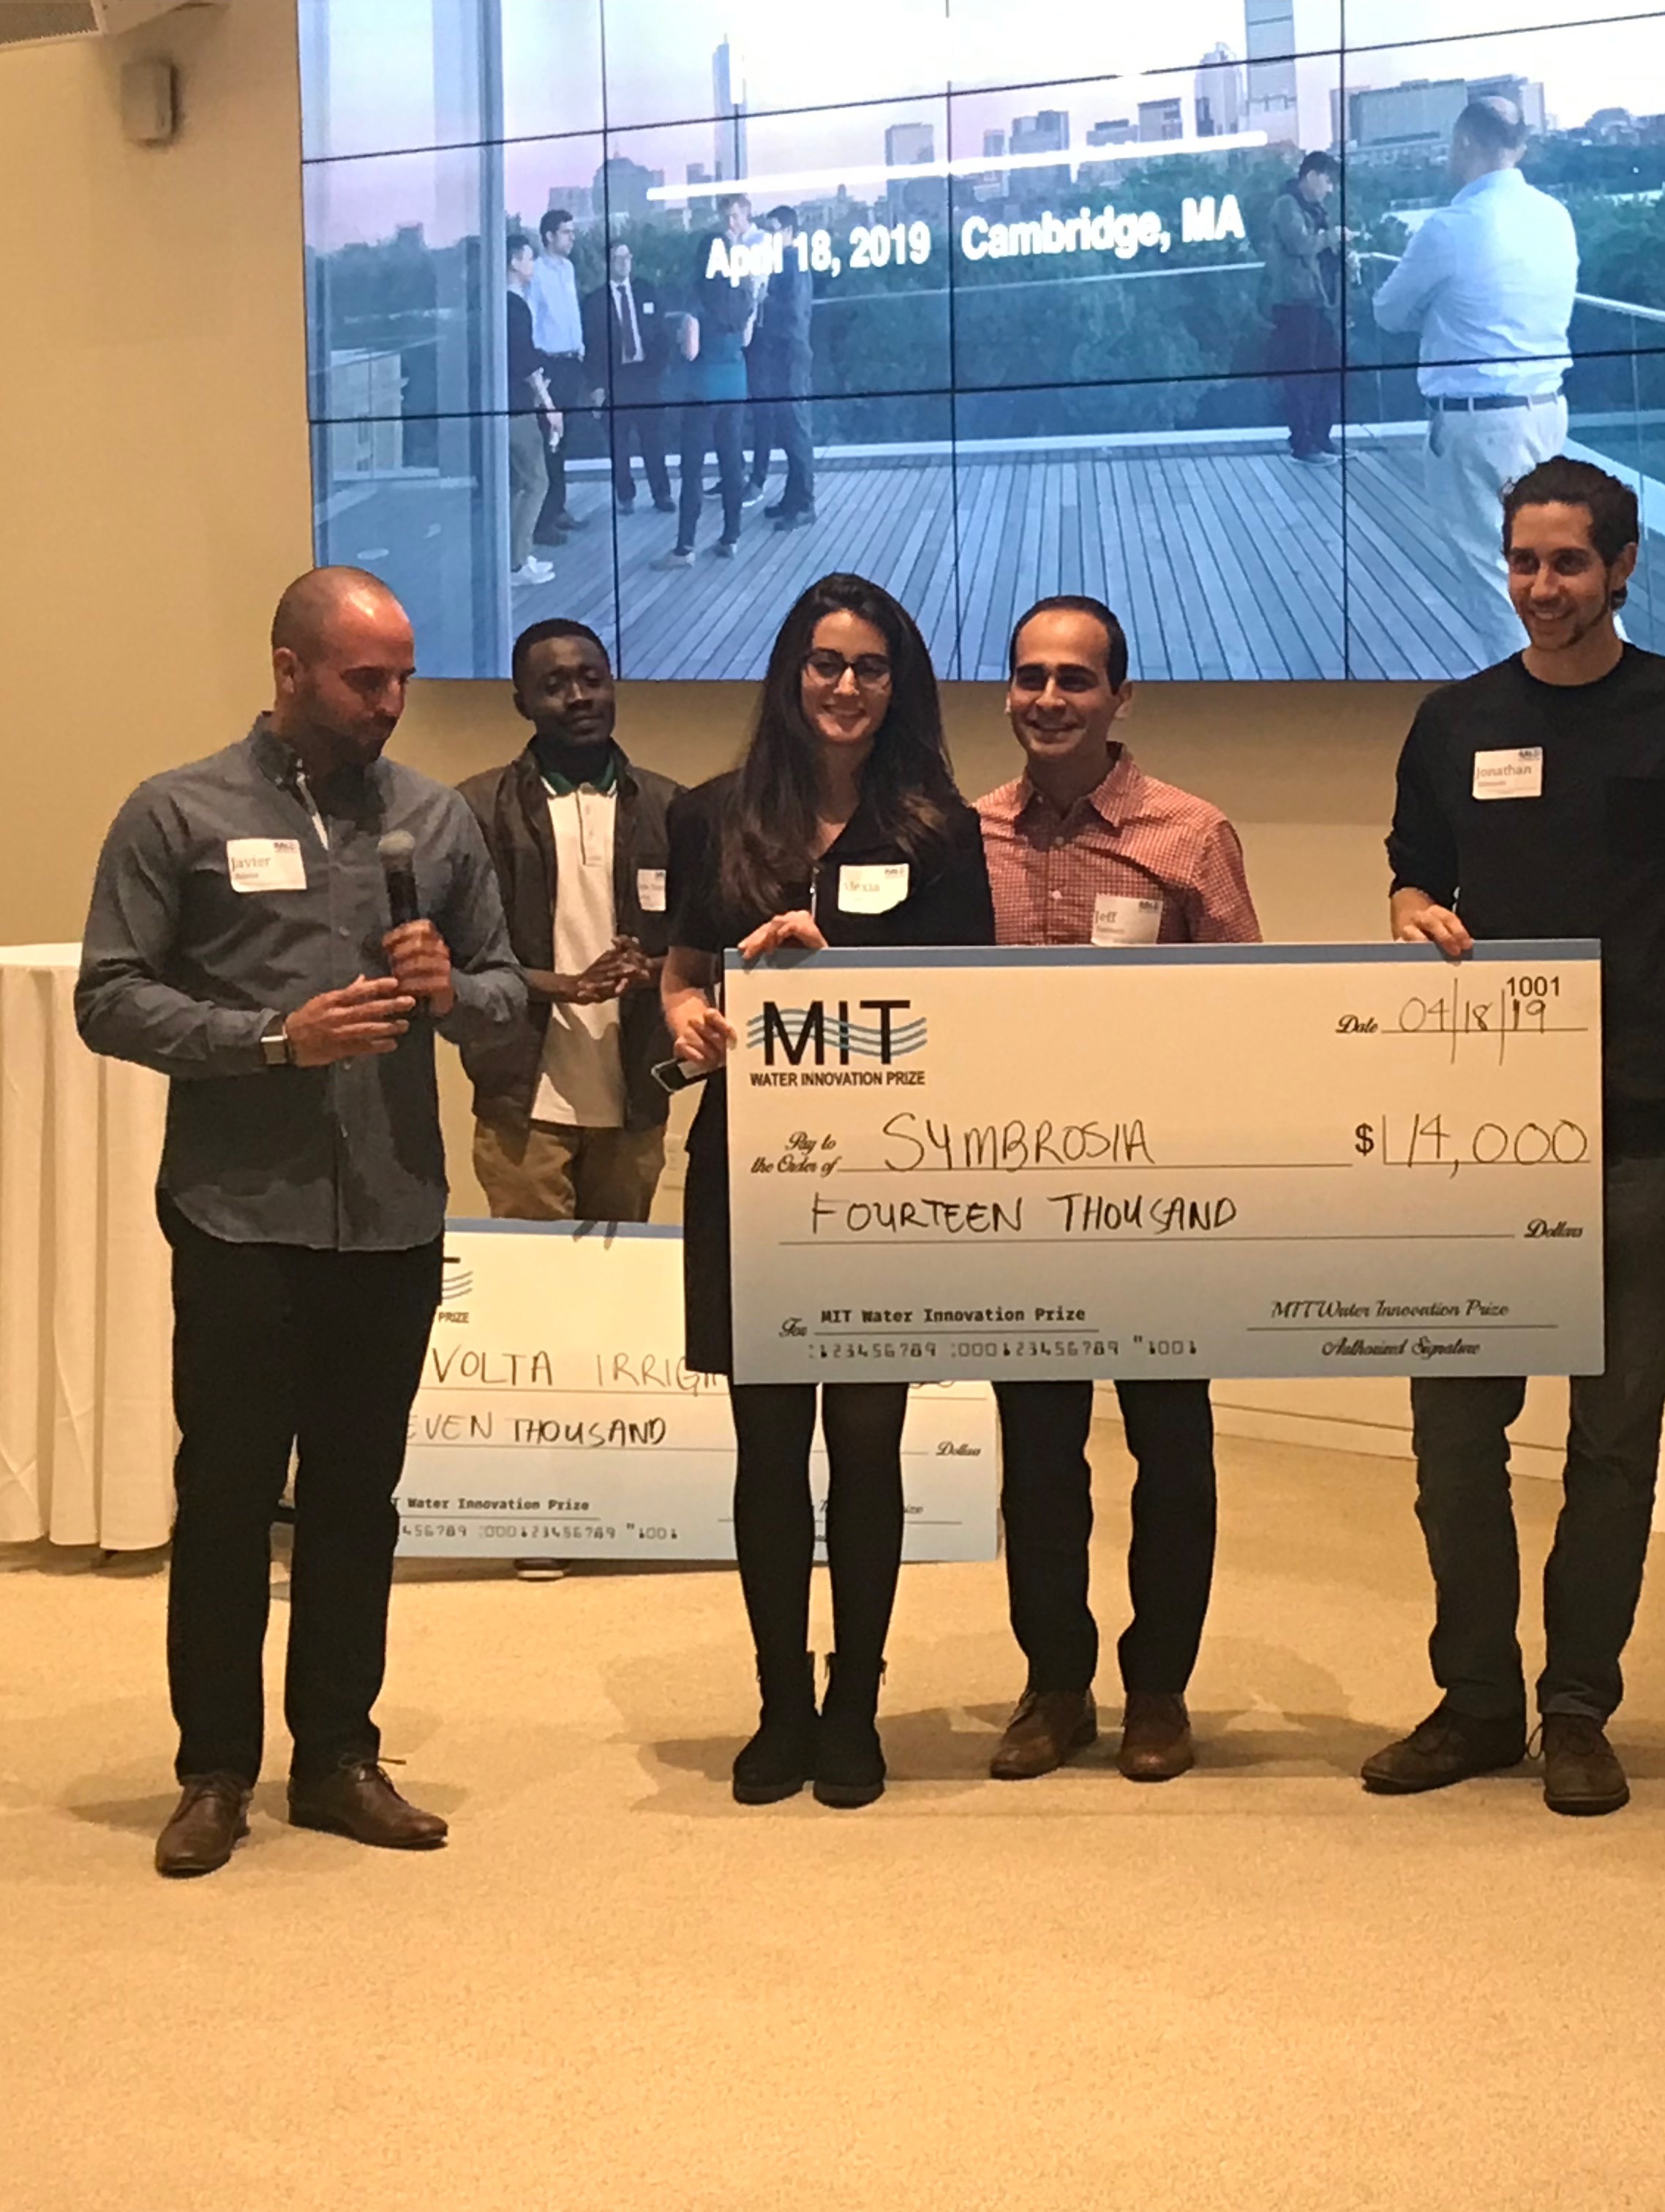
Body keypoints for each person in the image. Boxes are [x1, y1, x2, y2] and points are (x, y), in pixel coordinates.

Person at [75, 567, 526, 1877]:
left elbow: (508, 996)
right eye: (363, 679)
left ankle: (335, 1753)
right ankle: (215, 1766)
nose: (391, 703)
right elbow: (108, 997)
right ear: (289, 667)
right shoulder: (178, 810)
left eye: (402, 679)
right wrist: (274, 1039)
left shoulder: (435, 823)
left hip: (388, 1214)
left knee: (356, 1495)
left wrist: (459, 991)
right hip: (241, 1213)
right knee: (224, 1496)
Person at [1370, 457, 1665, 1817]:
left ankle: (1576, 1702)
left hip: (1643, 1126)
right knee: (1453, 1435)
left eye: (1568, 562)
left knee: (1614, 1438)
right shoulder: (1453, 720)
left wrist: (1663, 995)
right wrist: (1411, 907)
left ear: (1622, 566)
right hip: (1474, 1144)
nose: (1541, 586)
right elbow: (1415, 868)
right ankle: (1475, 1699)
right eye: (1523, 561)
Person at [659, 573, 996, 1810]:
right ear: (787, 675)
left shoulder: (939, 830)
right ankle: (779, 1700)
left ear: (897, 683)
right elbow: (681, 970)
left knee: (864, 1441)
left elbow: (968, 1011)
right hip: (747, 1170)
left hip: (880, 1180)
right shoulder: (708, 816)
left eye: (868, 666)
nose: (844, 688)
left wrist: (835, 967)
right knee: (764, 1446)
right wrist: (693, 1017)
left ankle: (855, 1697)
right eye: (823, 664)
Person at [971, 594, 1263, 1786]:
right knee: (1038, 1459)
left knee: (1171, 1453)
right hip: (1013, 1207)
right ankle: (1054, 1686)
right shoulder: (961, 834)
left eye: (1075, 679)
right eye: (1030, 676)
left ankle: (1158, 1690)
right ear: (1007, 691)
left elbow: (1250, 1019)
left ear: (1120, 697)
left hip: (1157, 1208)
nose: (1049, 698)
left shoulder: (1191, 836)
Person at [455, 618, 683, 1223]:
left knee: (615, 1299)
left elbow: (703, 953)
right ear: (521, 703)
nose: (579, 697)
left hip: (635, 1104)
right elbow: (461, 962)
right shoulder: (476, 811)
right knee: (535, 1300)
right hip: (522, 1109)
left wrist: (651, 970)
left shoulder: (673, 808)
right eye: (554, 685)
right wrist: (565, 986)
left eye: (592, 679)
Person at [1370, 99, 1577, 647]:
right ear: (1521, 147)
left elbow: (1388, 312)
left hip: (1476, 426)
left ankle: (1529, 714)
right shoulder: (1555, 217)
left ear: (1463, 143)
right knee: (1562, 574)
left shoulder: (1452, 227)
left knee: (1501, 581)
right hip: (1545, 414)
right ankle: (1609, 702)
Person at [660, 196, 759, 568]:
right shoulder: (744, 296)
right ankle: (731, 537)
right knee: (732, 463)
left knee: (693, 469)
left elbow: (690, 350)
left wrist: (679, 336)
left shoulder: (698, 303)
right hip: (736, 385)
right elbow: (746, 340)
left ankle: (685, 547)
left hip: (702, 390)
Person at [1259, 151, 1348, 464]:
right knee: (1302, 374)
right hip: (1294, 303)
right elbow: (1300, 244)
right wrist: (1330, 237)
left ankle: (1321, 436)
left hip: (1315, 300)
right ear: (1311, 176)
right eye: (1327, 180)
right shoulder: (1287, 206)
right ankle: (1304, 442)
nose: (1330, 189)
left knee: (1330, 368)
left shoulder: (1313, 209)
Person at [745, 204, 816, 528]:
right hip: (782, 356)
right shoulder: (781, 263)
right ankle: (793, 497)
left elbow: (795, 314)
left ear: (789, 232)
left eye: (774, 230)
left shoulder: (794, 265)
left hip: (791, 356)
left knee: (797, 430)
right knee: (788, 430)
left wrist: (763, 300)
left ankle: (804, 503)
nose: (770, 236)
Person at [593, 238, 674, 514]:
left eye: (628, 257)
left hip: (646, 377)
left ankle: (661, 494)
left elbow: (662, 332)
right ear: (608, 263)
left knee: (653, 440)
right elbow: (592, 347)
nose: (624, 263)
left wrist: (659, 370)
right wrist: (597, 386)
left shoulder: (645, 290)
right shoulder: (595, 302)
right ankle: (625, 496)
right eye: (618, 258)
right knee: (620, 444)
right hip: (615, 380)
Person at [528, 208, 590, 546]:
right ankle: (543, 521)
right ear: (549, 236)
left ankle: (559, 508)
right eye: (566, 232)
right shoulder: (536, 273)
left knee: (563, 440)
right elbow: (534, 320)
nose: (572, 237)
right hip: (549, 366)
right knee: (547, 441)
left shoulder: (568, 269)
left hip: (571, 364)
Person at [503, 233, 562, 586]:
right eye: (528, 258)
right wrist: (549, 406)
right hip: (517, 409)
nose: (532, 265)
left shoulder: (497, 305)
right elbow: (525, 363)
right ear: (513, 262)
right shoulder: (515, 306)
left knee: (518, 485)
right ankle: (518, 563)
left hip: (503, 408)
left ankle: (513, 558)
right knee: (537, 480)